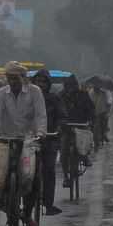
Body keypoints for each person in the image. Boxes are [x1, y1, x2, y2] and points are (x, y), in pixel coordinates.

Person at [0, 62, 48, 226]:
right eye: (9, 78)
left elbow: (40, 115)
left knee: (34, 178)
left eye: (15, 78)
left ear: (23, 78)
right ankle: (8, 209)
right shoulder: (1, 93)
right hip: (6, 138)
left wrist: (41, 132)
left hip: (29, 139)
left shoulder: (35, 92)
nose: (12, 82)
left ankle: (27, 215)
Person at [29, 69, 67, 216]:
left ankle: (48, 204)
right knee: (25, 170)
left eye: (43, 82)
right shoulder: (28, 98)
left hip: (49, 138)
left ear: (48, 84)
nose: (40, 84)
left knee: (49, 170)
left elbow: (62, 116)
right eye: (38, 81)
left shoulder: (54, 98)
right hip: (30, 139)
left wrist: (59, 128)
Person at [59, 74, 96, 184]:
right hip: (66, 127)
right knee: (64, 152)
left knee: (85, 143)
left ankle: (85, 157)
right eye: (68, 86)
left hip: (81, 125)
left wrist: (90, 120)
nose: (70, 88)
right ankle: (66, 177)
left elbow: (91, 109)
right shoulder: (61, 96)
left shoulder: (83, 95)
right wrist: (60, 121)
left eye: (72, 86)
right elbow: (57, 110)